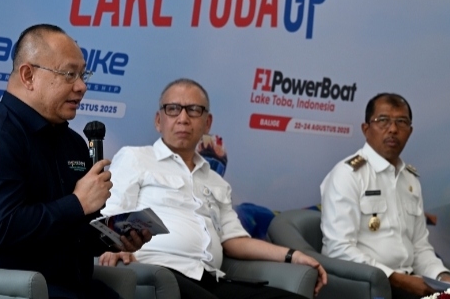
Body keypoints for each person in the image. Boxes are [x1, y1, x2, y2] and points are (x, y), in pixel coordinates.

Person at [0, 24, 149, 299]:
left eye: (83, 74)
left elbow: (73, 231)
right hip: (5, 288)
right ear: (28, 75)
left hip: (67, 284)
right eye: (69, 74)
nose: (82, 86)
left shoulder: (73, 143)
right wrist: (77, 202)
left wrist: (115, 238)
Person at [98, 78, 328, 299]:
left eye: (193, 110)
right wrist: (115, 248)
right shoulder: (135, 158)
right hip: (159, 272)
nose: (183, 119)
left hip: (210, 278)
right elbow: (111, 216)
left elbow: (234, 240)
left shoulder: (216, 181)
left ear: (207, 123)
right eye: (173, 109)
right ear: (159, 120)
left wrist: (293, 255)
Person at [320, 93, 450, 299]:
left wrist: (442, 277)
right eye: (383, 120)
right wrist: (395, 279)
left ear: (410, 131)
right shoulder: (347, 175)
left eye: (401, 122)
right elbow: (338, 249)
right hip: (367, 288)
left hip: (410, 283)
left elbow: (420, 247)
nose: (393, 129)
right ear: (366, 129)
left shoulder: (410, 179)